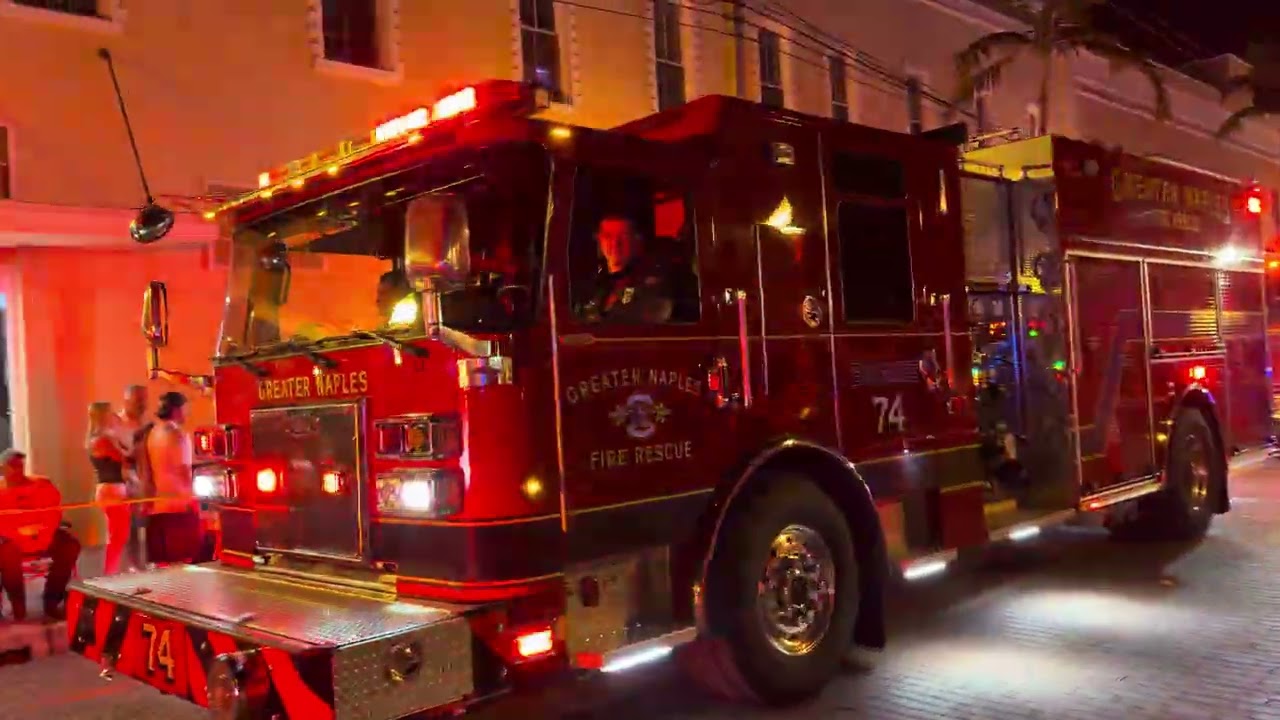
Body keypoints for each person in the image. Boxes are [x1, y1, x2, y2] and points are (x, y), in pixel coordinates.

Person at [0, 450, 80, 621]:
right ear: (3, 469)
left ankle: (51, 601)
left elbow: (53, 513)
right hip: (12, 540)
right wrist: (18, 534)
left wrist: (43, 533)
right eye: (13, 466)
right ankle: (18, 607)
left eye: (20, 466)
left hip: (43, 535)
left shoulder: (42, 485)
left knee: (70, 544)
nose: (18, 470)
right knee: (7, 552)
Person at [140, 392, 199, 567]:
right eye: (185, 408)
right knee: (183, 560)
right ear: (177, 409)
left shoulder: (152, 434)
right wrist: (193, 499)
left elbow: (147, 471)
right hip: (178, 504)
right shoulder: (178, 434)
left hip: (158, 504)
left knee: (163, 562)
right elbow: (184, 470)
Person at [580, 215, 674, 324]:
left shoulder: (652, 286)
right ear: (599, 240)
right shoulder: (595, 284)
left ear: (637, 241)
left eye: (623, 236)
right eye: (608, 236)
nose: (615, 243)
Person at [87, 402, 131, 576]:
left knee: (117, 534)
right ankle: (110, 572)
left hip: (109, 487)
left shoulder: (95, 438)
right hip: (113, 489)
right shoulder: (104, 439)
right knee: (117, 535)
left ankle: (113, 570)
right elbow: (125, 458)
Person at [115, 384, 149, 571]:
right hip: (125, 483)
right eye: (138, 401)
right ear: (126, 400)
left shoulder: (146, 424)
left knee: (142, 527)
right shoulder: (117, 425)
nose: (142, 405)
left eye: (144, 401)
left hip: (143, 482)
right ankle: (128, 568)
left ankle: (141, 566)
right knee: (127, 531)